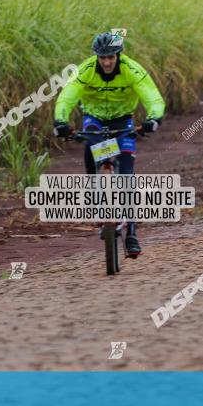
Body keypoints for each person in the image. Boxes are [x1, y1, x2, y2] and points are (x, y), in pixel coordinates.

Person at [53, 32, 165, 257]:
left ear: (118, 55)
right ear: (96, 56)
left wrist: (153, 118)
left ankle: (132, 233)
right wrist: (61, 121)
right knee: (91, 153)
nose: (106, 62)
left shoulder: (132, 69)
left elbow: (152, 97)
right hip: (94, 121)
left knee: (126, 173)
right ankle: (97, 202)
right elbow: (67, 97)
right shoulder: (85, 70)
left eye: (110, 57)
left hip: (123, 121)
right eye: (102, 57)